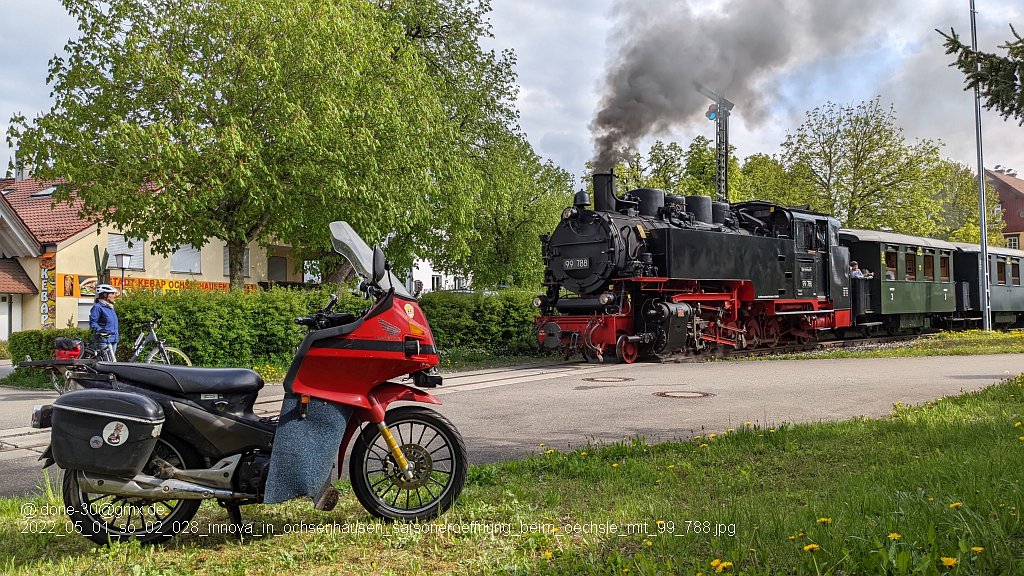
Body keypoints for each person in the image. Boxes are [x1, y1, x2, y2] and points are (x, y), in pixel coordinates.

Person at [89, 284, 120, 360]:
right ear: (105, 295)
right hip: (103, 341)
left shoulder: (110, 307)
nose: (114, 296)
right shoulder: (98, 307)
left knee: (112, 363)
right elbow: (93, 322)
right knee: (107, 363)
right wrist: (100, 330)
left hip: (114, 339)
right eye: (112, 294)